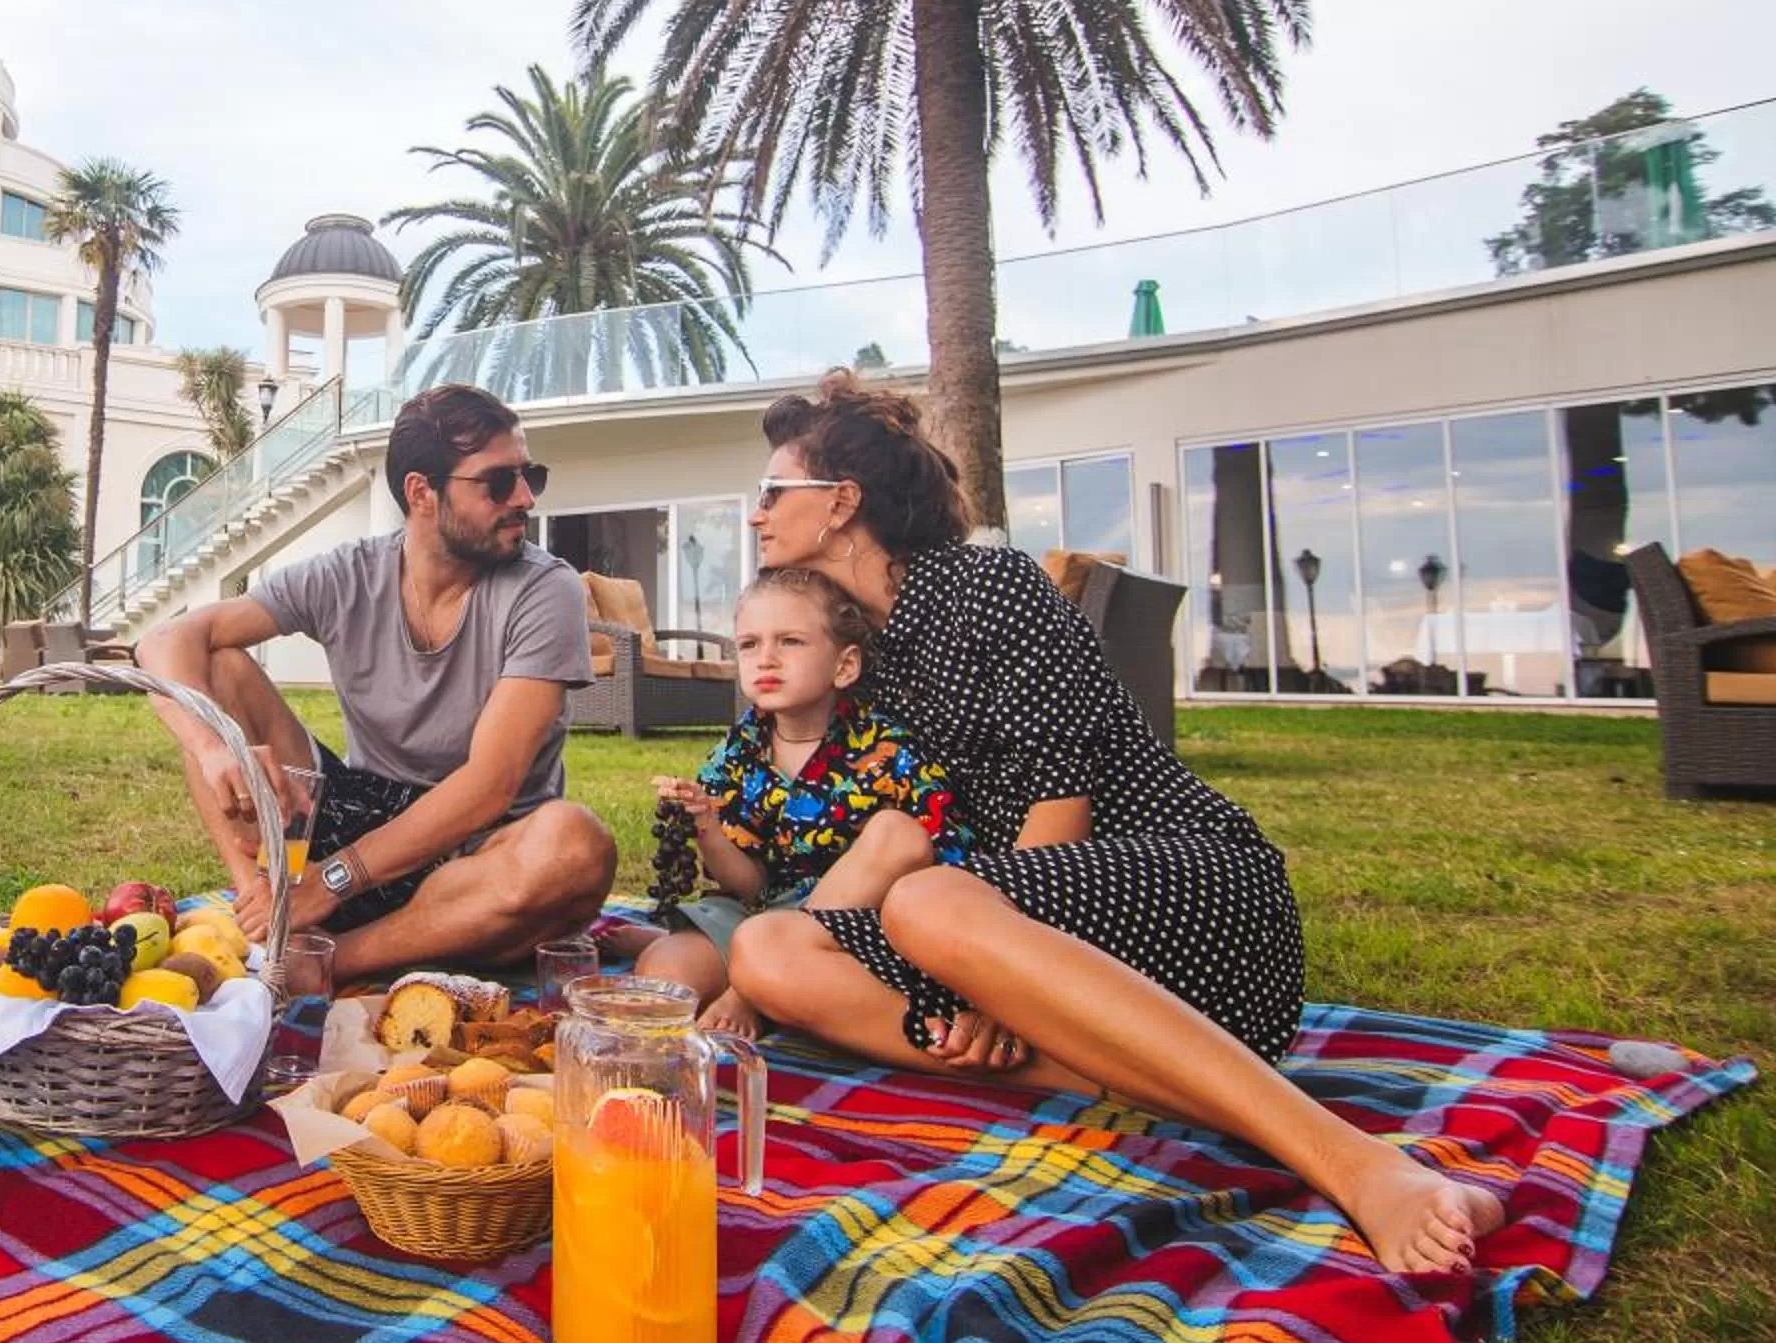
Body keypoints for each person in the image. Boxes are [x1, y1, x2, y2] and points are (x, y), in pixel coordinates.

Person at [723, 373, 1506, 1276]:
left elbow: (1062, 790)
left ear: (842, 503)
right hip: (1014, 944)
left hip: (1190, 894)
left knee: (929, 903)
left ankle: (1357, 1165)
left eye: (775, 491)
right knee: (772, 951)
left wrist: (976, 977)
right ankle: (1161, 1081)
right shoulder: (871, 655)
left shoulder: (988, 584)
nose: (758, 515)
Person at [135, 384, 614, 982]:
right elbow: (163, 641)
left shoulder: (545, 590)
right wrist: (212, 749)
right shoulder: (351, 573)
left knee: (574, 845)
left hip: (480, 850)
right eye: (498, 482)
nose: (524, 498)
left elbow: (489, 788)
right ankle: (268, 914)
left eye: (530, 476)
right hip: (359, 810)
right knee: (217, 671)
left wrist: (334, 880)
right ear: (422, 493)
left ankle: (330, 961)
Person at [642, 567, 969, 1039]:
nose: (766, 659)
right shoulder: (738, 754)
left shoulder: (888, 752)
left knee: (897, 832)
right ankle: (761, 983)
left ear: (844, 666)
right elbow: (750, 885)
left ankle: (754, 992)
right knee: (665, 975)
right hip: (759, 917)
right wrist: (708, 827)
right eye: (750, 644)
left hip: (850, 930)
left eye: (790, 642)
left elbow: (936, 861)